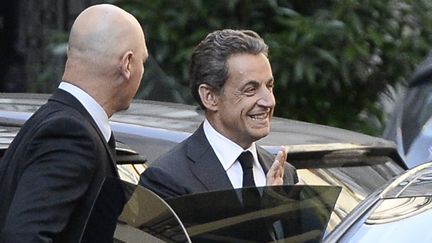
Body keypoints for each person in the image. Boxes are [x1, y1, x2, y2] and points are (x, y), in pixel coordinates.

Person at [0, 4, 148, 242]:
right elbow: (24, 236)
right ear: (128, 64)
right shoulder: (72, 134)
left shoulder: (56, 120)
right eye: (143, 61)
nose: (143, 71)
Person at [140, 29, 298, 199]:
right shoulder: (167, 179)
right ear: (210, 97)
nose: (269, 101)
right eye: (250, 90)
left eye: (269, 86)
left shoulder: (285, 175)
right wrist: (267, 213)